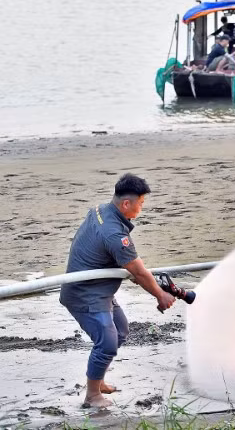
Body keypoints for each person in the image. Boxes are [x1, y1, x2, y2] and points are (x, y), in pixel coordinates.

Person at [60, 174, 176, 409]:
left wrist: (124, 269)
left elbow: (117, 259)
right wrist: (161, 295)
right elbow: (140, 272)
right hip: (85, 295)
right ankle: (92, 396)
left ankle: (98, 380)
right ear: (126, 204)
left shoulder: (100, 210)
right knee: (107, 343)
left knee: (121, 330)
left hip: (101, 290)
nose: (141, 208)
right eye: (141, 203)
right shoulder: (114, 234)